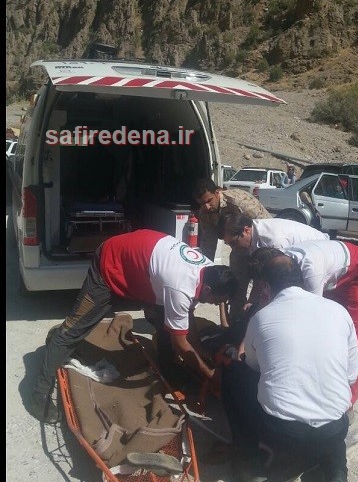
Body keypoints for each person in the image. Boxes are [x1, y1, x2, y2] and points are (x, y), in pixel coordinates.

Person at [28, 230, 238, 424]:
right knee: (74, 329)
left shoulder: (208, 269)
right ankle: (39, 394)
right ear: (207, 289)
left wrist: (200, 353)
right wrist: (209, 374)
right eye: (216, 301)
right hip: (111, 263)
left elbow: (186, 319)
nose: (214, 304)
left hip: (142, 263)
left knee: (170, 323)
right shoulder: (180, 287)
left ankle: (169, 371)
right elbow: (181, 343)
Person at [220, 256, 358, 482]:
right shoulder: (339, 311)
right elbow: (351, 374)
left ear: (266, 287)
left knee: (233, 373)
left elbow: (253, 367)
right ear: (301, 280)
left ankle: (251, 463)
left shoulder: (262, 317)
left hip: (281, 434)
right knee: (329, 421)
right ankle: (337, 476)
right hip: (334, 428)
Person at [249, 239, 358, 406]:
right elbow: (265, 303)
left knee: (352, 335)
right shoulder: (281, 264)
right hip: (333, 273)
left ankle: (349, 399)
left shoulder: (310, 271)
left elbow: (312, 316)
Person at [216, 212, 330, 336]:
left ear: (246, 230)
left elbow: (279, 282)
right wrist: (251, 301)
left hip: (319, 255)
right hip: (299, 258)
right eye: (228, 244)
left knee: (302, 305)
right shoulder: (251, 239)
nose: (233, 248)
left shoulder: (274, 241)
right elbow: (259, 275)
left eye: (233, 243)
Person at [192, 178, 272, 328]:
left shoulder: (238, 200)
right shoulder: (205, 213)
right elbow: (208, 247)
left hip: (260, 247)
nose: (206, 206)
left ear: (217, 192)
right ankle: (236, 327)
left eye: (209, 201)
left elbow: (266, 225)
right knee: (236, 291)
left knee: (264, 291)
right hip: (238, 251)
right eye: (202, 203)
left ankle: (258, 328)